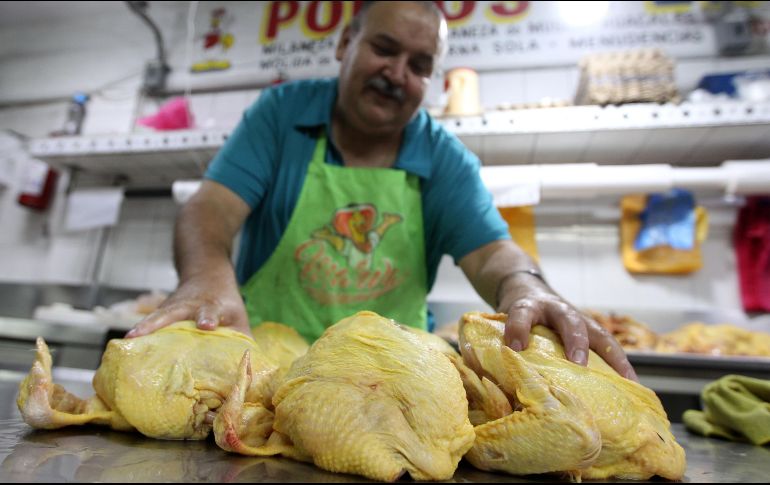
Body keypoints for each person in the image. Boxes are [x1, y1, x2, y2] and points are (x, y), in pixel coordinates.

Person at [128, 1, 637, 381]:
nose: (397, 74)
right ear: (345, 44)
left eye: (419, 65)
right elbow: (211, 208)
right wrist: (203, 279)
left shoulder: (444, 158)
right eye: (385, 49)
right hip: (261, 369)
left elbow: (491, 254)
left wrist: (528, 288)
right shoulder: (281, 116)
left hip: (393, 380)